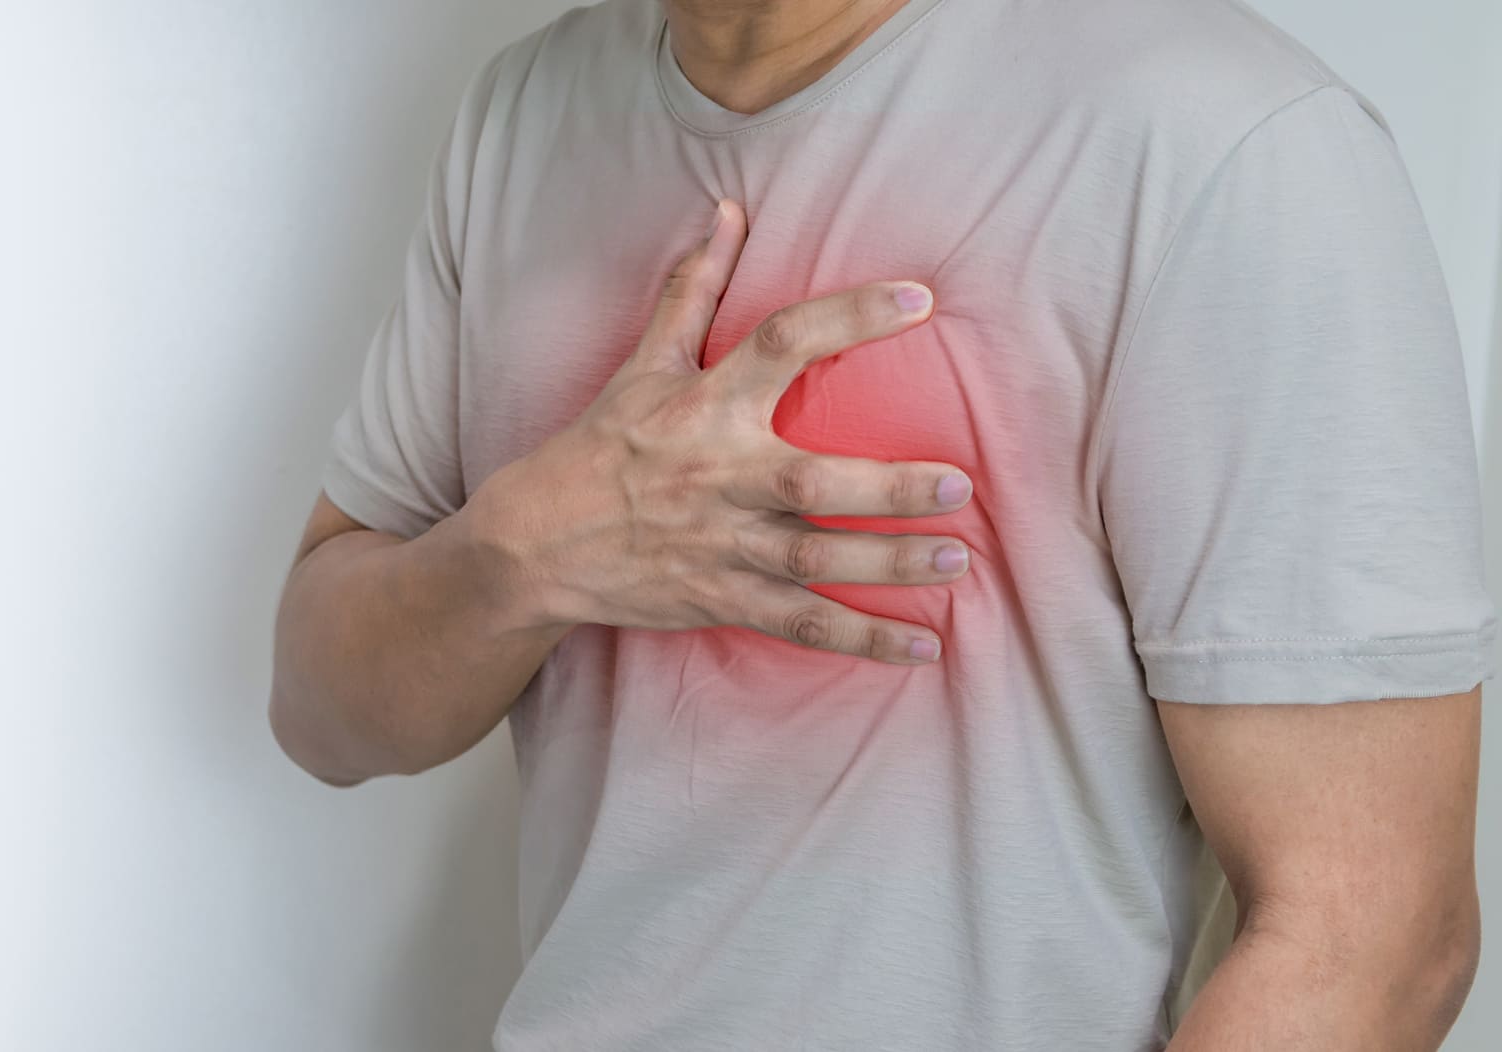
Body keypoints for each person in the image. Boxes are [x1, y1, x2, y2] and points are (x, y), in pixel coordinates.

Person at [268, 0, 1495, 1047]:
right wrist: (524, 554)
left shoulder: (1219, 137)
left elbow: (1379, 935)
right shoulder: (525, 114)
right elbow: (322, 709)